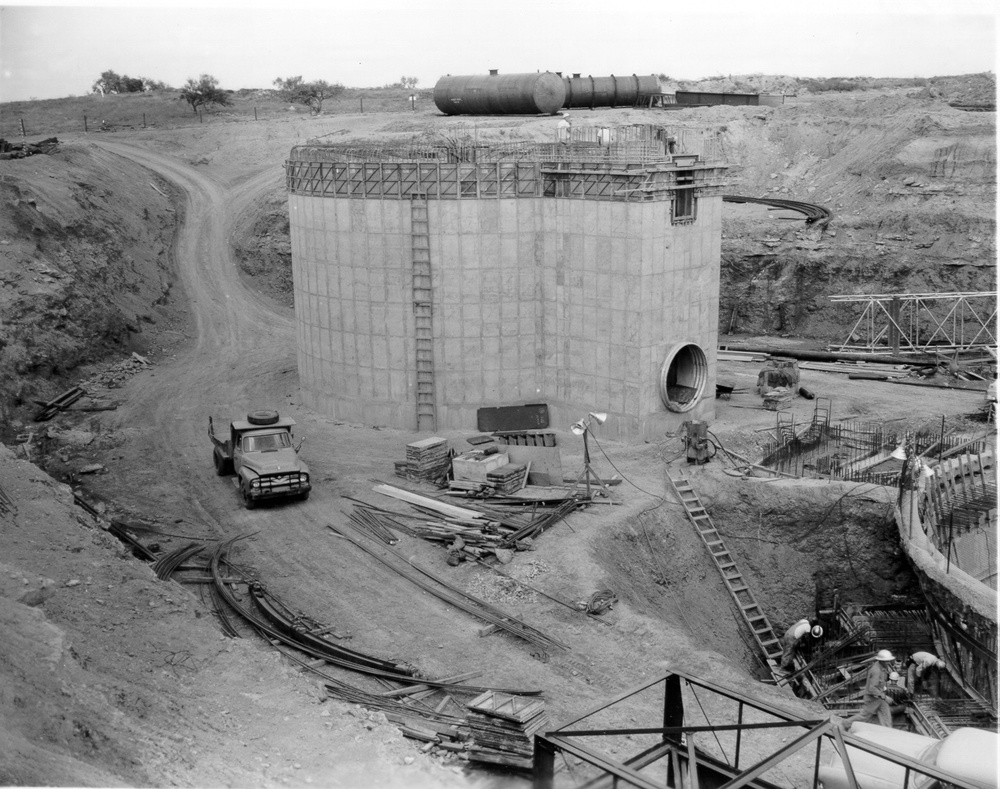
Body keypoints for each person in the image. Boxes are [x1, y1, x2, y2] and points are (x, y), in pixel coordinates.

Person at [842, 649, 895, 730]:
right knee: (864, 716)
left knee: (886, 716)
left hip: (879, 698)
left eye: (889, 661)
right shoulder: (876, 670)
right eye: (886, 661)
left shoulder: (882, 667)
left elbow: (879, 684)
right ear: (881, 661)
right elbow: (872, 688)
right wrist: (885, 697)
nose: (888, 663)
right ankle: (846, 723)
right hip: (872, 699)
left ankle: (888, 731)